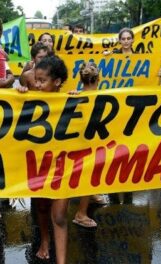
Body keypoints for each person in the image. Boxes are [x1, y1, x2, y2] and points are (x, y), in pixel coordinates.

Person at [17, 55, 70, 264]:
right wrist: (19, 96)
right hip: (37, 164)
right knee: (40, 207)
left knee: (59, 216)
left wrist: (79, 100)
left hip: (63, 167)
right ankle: (45, 241)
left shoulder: (70, 101)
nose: (36, 84)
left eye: (42, 81)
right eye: (35, 79)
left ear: (57, 82)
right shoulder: (29, 99)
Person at [67, 62, 102, 229]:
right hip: (92, 144)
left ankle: (90, 197)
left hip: (79, 143)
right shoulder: (105, 97)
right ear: (99, 78)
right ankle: (81, 214)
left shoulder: (75, 96)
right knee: (89, 176)